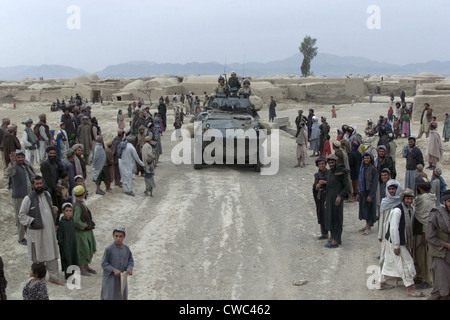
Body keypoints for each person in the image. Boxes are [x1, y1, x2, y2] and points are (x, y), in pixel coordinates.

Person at [18, 176, 65, 285]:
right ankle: (39, 277)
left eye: (40, 183)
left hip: (49, 232)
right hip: (36, 233)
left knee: (51, 253)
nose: (39, 186)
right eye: (37, 184)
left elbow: (48, 207)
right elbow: (21, 215)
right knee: (38, 256)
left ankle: (54, 277)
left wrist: (54, 209)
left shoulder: (47, 195)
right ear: (33, 185)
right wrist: (32, 220)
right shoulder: (28, 199)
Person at [380, 188, 424, 297]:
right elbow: (394, 229)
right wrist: (396, 246)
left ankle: (381, 282)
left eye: (411, 199)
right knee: (406, 264)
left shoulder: (409, 209)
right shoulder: (397, 211)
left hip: (400, 241)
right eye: (407, 199)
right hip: (396, 242)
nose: (409, 201)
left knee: (389, 262)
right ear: (403, 199)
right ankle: (410, 289)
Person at [6, 150, 36, 245]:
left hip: (28, 195)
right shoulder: (14, 166)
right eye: (18, 157)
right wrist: (11, 162)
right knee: (20, 217)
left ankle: (29, 234)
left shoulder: (26, 166)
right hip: (19, 196)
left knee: (29, 214)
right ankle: (20, 238)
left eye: (21, 157)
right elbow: (8, 173)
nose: (20, 159)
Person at [377, 179, 403, 287]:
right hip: (386, 233)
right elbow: (381, 219)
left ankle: (398, 278)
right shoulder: (385, 202)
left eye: (393, 189)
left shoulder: (400, 201)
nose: (392, 191)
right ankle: (382, 280)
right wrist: (380, 234)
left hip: (396, 232)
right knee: (384, 256)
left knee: (398, 255)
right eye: (390, 189)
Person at [426, 190, 450, 300]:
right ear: (444, 201)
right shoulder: (436, 213)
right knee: (442, 288)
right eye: (449, 201)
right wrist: (445, 245)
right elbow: (430, 236)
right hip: (439, 254)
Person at [413, 176, 436, 289]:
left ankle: (427, 280)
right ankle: (419, 276)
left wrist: (424, 235)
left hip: (423, 233)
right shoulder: (421, 199)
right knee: (417, 256)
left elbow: (427, 219)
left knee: (424, 258)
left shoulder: (426, 200)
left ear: (419, 187)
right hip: (417, 231)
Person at [100, 227, 134, 300]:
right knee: (109, 295)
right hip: (110, 279)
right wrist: (113, 269)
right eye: (116, 236)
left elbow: (130, 261)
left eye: (120, 236)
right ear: (113, 236)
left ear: (124, 237)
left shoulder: (126, 249)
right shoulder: (109, 249)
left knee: (121, 295)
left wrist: (129, 269)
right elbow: (104, 263)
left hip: (122, 278)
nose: (118, 238)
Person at [324, 154, 349, 248]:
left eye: (332, 162)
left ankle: (336, 240)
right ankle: (334, 236)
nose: (331, 164)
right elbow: (328, 187)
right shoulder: (330, 172)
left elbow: (347, 187)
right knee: (331, 218)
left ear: (336, 162)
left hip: (337, 200)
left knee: (337, 219)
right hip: (330, 199)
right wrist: (326, 199)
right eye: (329, 162)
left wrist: (340, 196)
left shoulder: (341, 172)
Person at [72, 185, 97, 276]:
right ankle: (82, 267)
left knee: (89, 247)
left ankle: (86, 266)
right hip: (81, 232)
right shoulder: (78, 206)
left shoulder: (80, 203)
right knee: (83, 249)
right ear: (82, 194)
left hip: (86, 231)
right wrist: (85, 226)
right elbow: (76, 220)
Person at [40, 146, 66, 216]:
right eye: (50, 153)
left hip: (56, 186)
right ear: (47, 153)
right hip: (49, 188)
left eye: (53, 153)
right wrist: (56, 188)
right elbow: (48, 179)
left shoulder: (56, 162)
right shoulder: (44, 164)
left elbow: (61, 173)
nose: (52, 155)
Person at [357, 152, 378, 235]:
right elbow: (359, 180)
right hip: (363, 191)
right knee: (364, 209)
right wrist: (358, 192)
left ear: (371, 159)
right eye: (365, 158)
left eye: (368, 158)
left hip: (369, 192)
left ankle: (369, 227)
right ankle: (366, 225)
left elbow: (374, 183)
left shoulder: (373, 169)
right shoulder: (362, 167)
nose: (366, 160)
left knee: (369, 209)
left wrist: (371, 195)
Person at [57, 203, 79, 279]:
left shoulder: (72, 220)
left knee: (73, 258)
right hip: (66, 245)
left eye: (70, 211)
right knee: (67, 259)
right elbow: (59, 236)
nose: (68, 212)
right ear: (63, 211)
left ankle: (73, 274)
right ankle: (68, 276)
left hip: (73, 243)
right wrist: (62, 244)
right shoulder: (62, 223)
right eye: (67, 211)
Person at [313, 157, 329, 240]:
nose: (321, 165)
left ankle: (333, 234)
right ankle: (324, 233)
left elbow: (334, 183)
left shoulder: (330, 173)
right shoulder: (317, 175)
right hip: (320, 197)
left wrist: (325, 182)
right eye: (320, 164)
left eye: (323, 164)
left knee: (329, 215)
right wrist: (317, 186)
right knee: (321, 214)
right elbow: (315, 186)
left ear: (326, 164)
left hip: (329, 197)